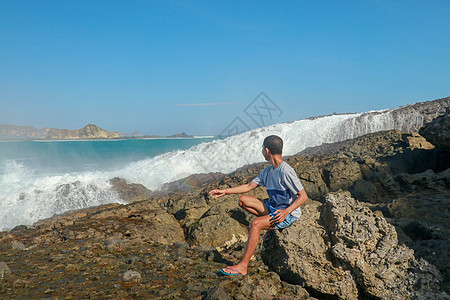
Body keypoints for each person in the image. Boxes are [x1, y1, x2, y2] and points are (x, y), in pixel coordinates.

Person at [209, 135, 308, 276]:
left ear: (267, 150)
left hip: (287, 214)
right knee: (243, 200)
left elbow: (303, 196)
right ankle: (269, 225)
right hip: (273, 207)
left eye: (262, 149)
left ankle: (243, 266)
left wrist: (286, 212)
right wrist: (224, 191)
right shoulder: (267, 172)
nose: (262, 152)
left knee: (256, 224)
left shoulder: (286, 171)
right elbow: (249, 186)